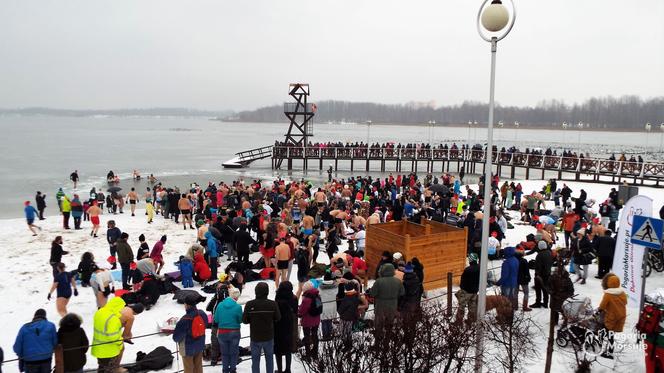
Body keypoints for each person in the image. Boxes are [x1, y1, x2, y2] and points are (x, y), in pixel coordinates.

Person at [91, 298, 144, 373]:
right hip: (109, 348)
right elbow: (120, 336)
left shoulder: (100, 312)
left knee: (102, 366)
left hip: (98, 345)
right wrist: (122, 342)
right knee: (110, 366)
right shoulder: (117, 319)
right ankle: (116, 368)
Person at [243, 282, 281, 373]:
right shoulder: (273, 304)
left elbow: (244, 320)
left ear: (256, 291)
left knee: (255, 361)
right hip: (268, 336)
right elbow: (278, 318)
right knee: (269, 359)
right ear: (267, 292)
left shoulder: (249, 304)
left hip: (255, 337)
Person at [13, 309, 57, 373]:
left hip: (30, 361)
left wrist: (21, 355)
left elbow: (17, 347)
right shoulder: (51, 326)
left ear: (34, 316)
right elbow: (55, 342)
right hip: (46, 359)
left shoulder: (24, 328)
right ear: (45, 316)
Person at [173, 295, 209, 373]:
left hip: (187, 348)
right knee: (198, 367)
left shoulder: (185, 319)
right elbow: (205, 325)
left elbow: (176, 337)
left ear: (186, 305)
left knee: (188, 368)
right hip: (199, 345)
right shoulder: (202, 314)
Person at [367, 263, 404, 335]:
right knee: (389, 324)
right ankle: (387, 339)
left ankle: (378, 339)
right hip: (393, 306)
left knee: (379, 324)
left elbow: (372, 294)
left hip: (380, 306)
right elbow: (402, 293)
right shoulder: (398, 281)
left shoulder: (379, 281)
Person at [214, 287, 243, 373]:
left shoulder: (220, 305)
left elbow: (216, 320)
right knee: (234, 352)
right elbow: (240, 320)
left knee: (224, 353)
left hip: (222, 332)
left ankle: (225, 369)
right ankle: (233, 369)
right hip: (234, 332)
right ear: (236, 297)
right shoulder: (238, 307)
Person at [599, 273, 627, 359]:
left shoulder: (608, 294)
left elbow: (602, 306)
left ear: (608, 283)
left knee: (607, 332)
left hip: (612, 317)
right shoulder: (622, 293)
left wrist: (599, 310)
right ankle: (605, 346)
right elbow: (625, 302)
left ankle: (609, 352)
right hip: (621, 316)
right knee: (611, 334)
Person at [274, 282, 297, 373]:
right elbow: (295, 311)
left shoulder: (278, 298)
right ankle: (288, 369)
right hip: (289, 325)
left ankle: (279, 370)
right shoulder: (294, 298)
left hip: (278, 325)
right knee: (288, 349)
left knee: (278, 350)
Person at [299, 281, 321, 356]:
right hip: (316, 319)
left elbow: (301, 311)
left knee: (307, 337)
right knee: (315, 335)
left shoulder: (306, 299)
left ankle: (308, 354)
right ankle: (315, 352)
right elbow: (319, 307)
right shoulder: (318, 296)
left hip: (307, 321)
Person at [456, 253, 480, 322]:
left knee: (461, 307)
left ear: (470, 260)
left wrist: (462, 288)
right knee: (472, 307)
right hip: (475, 291)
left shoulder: (467, 270)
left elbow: (462, 281)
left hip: (466, 291)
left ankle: (458, 321)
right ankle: (471, 320)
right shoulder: (480, 268)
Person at [531, 241, 552, 308]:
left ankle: (538, 303)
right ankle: (545, 303)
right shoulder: (549, 253)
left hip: (540, 275)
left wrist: (537, 274)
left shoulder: (539, 255)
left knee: (538, 289)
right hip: (548, 274)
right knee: (545, 289)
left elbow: (538, 266)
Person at [318, 272, 338, 340]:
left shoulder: (320, 286)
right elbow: (337, 293)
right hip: (332, 305)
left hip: (324, 305)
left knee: (324, 321)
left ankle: (325, 336)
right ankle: (329, 334)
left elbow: (319, 295)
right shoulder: (335, 286)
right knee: (329, 320)